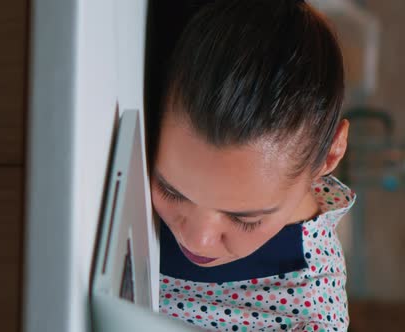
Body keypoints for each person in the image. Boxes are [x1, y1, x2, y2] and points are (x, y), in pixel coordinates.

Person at [147, 0, 356, 331]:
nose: (198, 239)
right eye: (171, 189)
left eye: (244, 219)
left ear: (330, 154)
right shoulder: (152, 48)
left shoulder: (307, 321)